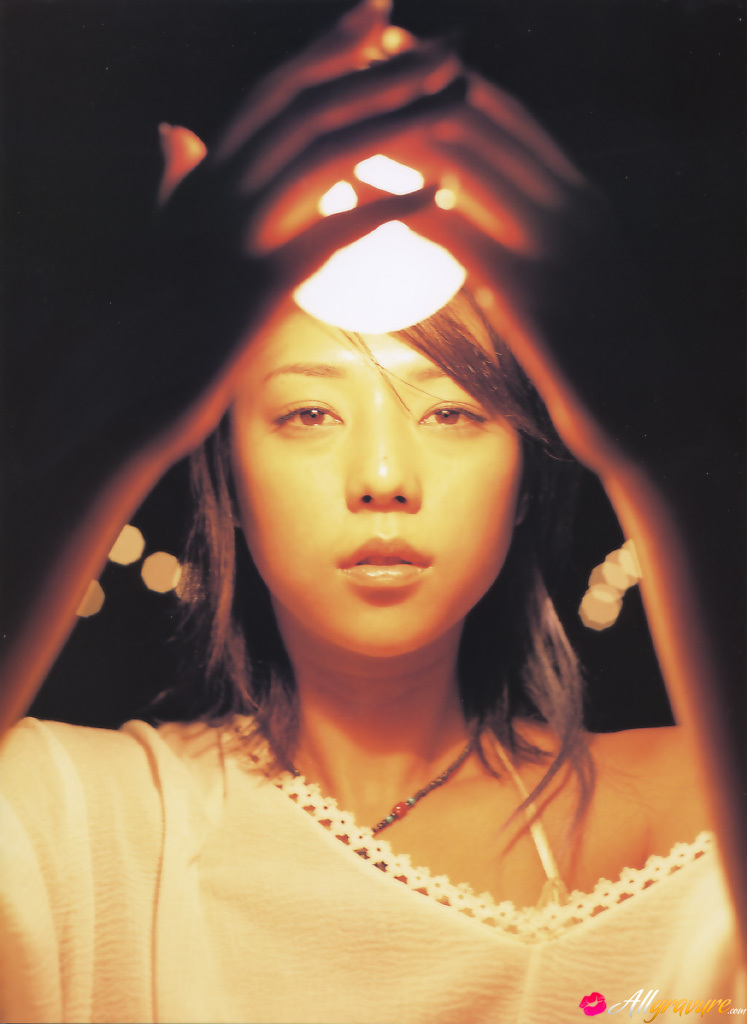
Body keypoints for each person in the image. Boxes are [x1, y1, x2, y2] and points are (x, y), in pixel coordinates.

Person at [0, 1, 744, 1021]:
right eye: (308, 412)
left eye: (452, 410)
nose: (384, 474)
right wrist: (115, 430)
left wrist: (665, 458)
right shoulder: (91, 829)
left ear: (525, 473)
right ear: (227, 472)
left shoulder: (704, 814)